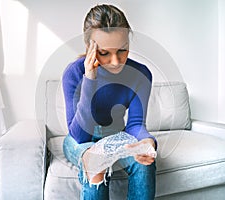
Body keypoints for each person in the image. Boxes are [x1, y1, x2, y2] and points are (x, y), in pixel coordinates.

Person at [62, 4, 156, 200]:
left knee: (144, 161)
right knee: (97, 161)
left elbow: (136, 124)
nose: (115, 61)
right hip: (80, 140)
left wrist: (147, 142)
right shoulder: (73, 73)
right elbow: (79, 134)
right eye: (105, 53)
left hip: (115, 136)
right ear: (90, 48)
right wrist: (90, 79)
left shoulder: (141, 74)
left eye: (122, 50)